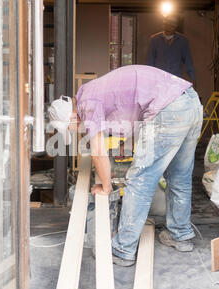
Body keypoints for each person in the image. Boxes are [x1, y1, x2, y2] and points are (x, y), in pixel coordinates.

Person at [49, 65, 203, 267]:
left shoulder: (88, 103)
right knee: (179, 176)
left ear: (71, 116)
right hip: (191, 103)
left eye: (71, 127)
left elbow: (98, 151)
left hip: (168, 109)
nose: (77, 129)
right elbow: (130, 119)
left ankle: (122, 249)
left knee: (140, 180)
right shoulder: (93, 91)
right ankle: (181, 235)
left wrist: (105, 187)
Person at [145, 14, 196, 87]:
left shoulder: (182, 41)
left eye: (172, 24)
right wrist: (148, 80)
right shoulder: (155, 40)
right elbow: (149, 62)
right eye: (167, 23)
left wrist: (193, 79)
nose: (169, 26)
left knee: (175, 98)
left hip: (175, 80)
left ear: (176, 25)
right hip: (159, 80)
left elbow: (188, 62)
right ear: (164, 23)